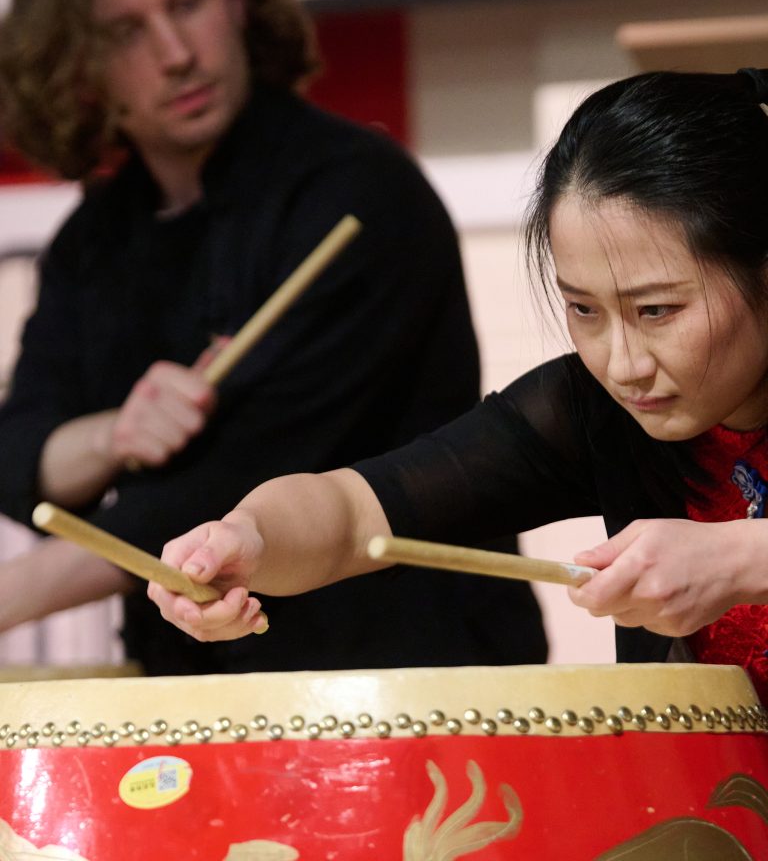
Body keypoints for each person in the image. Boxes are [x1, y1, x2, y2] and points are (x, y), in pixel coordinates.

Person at [0, 0, 548, 674]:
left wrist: (13, 596)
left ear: (237, 1)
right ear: (77, 65)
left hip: (405, 673)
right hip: (197, 677)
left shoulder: (358, 193)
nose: (175, 54)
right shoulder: (93, 238)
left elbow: (225, 491)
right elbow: (20, 460)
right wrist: (112, 434)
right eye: (124, 32)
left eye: (186, 3)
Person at [150, 67, 768, 704]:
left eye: (658, 311)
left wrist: (739, 558)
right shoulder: (595, 407)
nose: (623, 363)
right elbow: (355, 513)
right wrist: (247, 538)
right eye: (585, 310)